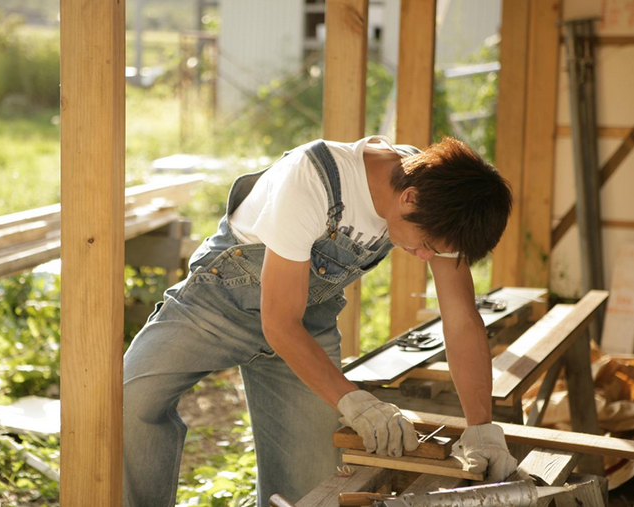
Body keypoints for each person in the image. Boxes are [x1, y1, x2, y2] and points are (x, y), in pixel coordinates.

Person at [123, 135, 517, 507]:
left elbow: (462, 319)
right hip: (218, 303)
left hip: (305, 324)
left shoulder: (438, 200)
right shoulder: (314, 178)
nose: (426, 257)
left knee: (307, 495)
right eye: (426, 245)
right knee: (127, 400)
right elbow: (278, 323)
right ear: (408, 198)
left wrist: (481, 426)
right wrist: (355, 402)